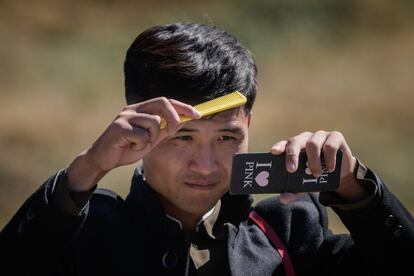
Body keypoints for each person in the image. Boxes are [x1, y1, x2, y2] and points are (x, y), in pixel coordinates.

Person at [0, 22, 413, 276]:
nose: (206, 164)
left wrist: (356, 187)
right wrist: (86, 169)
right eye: (182, 137)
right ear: (135, 126)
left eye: (226, 138)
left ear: (248, 125)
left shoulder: (288, 231)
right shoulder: (88, 230)